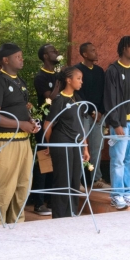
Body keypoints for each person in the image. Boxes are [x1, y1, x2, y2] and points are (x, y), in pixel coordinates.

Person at [0, 43, 39, 225]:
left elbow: (20, 109)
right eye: (18, 56)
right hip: (4, 142)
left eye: (21, 56)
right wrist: (20, 124)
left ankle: (17, 224)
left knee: (22, 186)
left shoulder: (19, 81)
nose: (21, 59)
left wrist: (29, 122)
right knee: (2, 187)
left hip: (23, 141)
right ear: (5, 60)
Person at [42, 65, 89, 218]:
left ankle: (72, 212)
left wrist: (85, 147)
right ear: (69, 80)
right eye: (78, 78)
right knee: (63, 179)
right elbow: (47, 124)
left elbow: (81, 125)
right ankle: (60, 215)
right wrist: (50, 144)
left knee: (75, 179)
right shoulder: (59, 100)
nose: (81, 82)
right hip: (62, 141)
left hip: (76, 143)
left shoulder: (77, 98)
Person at [104, 35, 130, 208]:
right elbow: (110, 99)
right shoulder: (113, 70)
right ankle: (117, 194)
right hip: (121, 124)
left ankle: (128, 193)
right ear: (123, 49)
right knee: (118, 160)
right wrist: (116, 124)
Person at [29, 44, 60, 216]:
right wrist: (60, 83)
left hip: (57, 123)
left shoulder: (57, 75)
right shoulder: (40, 77)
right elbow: (51, 97)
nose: (56, 53)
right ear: (45, 57)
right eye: (52, 51)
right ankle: (38, 202)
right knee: (43, 159)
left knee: (55, 161)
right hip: (43, 122)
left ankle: (50, 199)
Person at [75, 43, 106, 188]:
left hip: (99, 115)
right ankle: (78, 180)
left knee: (96, 148)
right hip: (85, 115)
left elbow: (103, 92)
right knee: (82, 147)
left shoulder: (100, 71)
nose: (96, 52)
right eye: (92, 51)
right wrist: (91, 111)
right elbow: (78, 94)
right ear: (85, 54)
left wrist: (101, 111)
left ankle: (96, 179)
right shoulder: (78, 70)